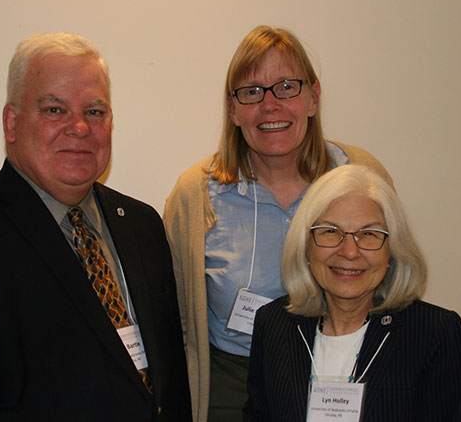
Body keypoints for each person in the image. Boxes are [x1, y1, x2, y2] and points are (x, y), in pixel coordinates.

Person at [0, 32, 191, 421]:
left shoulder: (142, 225)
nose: (80, 128)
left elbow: (168, 387)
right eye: (55, 110)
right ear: (12, 122)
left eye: (95, 111)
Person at [163, 26, 393, 422]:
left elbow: (391, 285)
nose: (270, 105)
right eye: (252, 91)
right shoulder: (195, 195)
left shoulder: (360, 175)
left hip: (342, 377)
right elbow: (176, 320)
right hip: (232, 383)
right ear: (232, 109)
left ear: (313, 98)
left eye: (286, 86)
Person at [244, 164, 461, 421]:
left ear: (392, 251)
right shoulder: (274, 323)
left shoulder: (435, 333)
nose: (350, 252)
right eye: (331, 232)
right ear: (306, 246)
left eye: (369, 234)